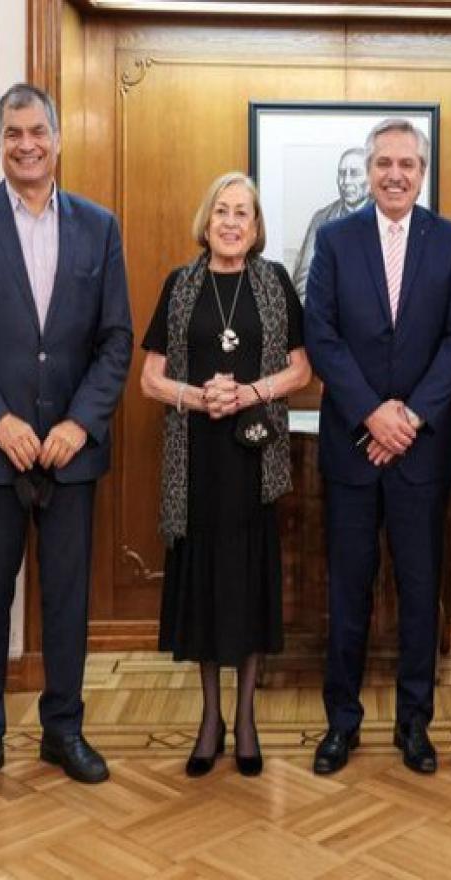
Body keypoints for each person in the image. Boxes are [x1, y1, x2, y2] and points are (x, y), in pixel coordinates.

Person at [0, 83, 133, 802]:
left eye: (36, 131)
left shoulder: (99, 227)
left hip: (72, 455)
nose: (25, 144)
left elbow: (116, 341)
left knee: (68, 600)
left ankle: (63, 729)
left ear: (55, 137)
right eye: (12, 132)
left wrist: (79, 423)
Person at [304, 118, 451, 776]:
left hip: (423, 453)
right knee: (347, 593)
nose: (395, 174)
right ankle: (340, 724)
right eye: (384, 164)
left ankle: (414, 725)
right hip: (353, 448)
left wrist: (409, 417)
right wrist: (373, 415)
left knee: (417, 591)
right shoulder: (336, 239)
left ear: (422, 172)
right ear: (369, 170)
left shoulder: (450, 240)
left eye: (407, 164)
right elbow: (321, 334)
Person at [139, 172, 311, 777]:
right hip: (196, 461)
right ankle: (209, 718)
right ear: (206, 222)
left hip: (253, 458)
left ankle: (245, 720)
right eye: (222, 212)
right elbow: (149, 379)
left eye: (243, 213)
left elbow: (301, 370)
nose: (232, 222)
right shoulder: (181, 285)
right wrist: (198, 395)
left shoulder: (274, 283)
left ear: (257, 227)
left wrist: (246, 393)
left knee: (249, 585)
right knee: (206, 587)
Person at [291, 147, 371, 296]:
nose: (346, 181)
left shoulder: (386, 218)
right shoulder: (321, 219)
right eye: (342, 174)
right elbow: (303, 278)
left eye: (354, 174)